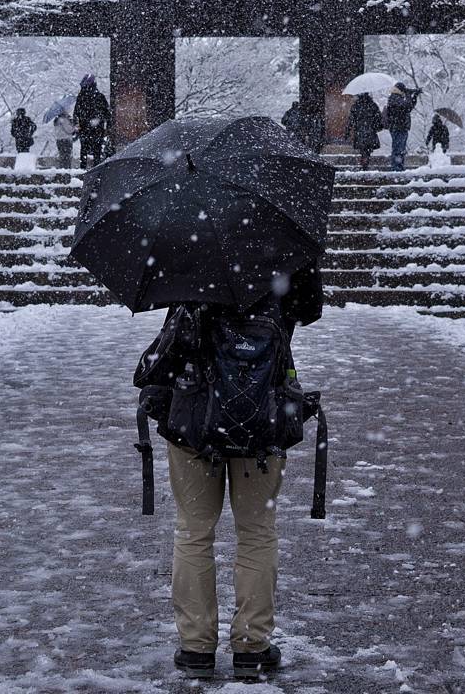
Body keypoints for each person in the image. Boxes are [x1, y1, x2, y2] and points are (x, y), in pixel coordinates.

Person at [137, 263, 324, 681]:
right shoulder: (285, 249)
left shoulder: (189, 241)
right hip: (262, 412)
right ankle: (251, 648)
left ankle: (196, 647)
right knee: (257, 531)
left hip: (194, 414)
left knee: (193, 530)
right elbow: (310, 309)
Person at [72, 74, 112, 169]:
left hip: (84, 130)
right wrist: (99, 120)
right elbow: (107, 114)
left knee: (84, 152)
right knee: (96, 153)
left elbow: (76, 113)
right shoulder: (99, 97)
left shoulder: (81, 97)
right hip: (97, 130)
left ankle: (82, 173)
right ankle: (96, 173)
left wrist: (77, 124)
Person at [382, 81, 421, 171]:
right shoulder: (394, 98)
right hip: (397, 127)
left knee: (401, 148)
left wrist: (414, 96)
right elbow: (406, 106)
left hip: (401, 127)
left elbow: (409, 107)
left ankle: (399, 166)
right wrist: (408, 94)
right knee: (398, 148)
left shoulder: (397, 98)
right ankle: (396, 167)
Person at [344, 92, 383, 170]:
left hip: (360, 131)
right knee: (368, 149)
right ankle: (366, 162)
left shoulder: (356, 106)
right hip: (370, 131)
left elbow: (351, 120)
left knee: (363, 149)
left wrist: (347, 132)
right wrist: (377, 127)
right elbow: (378, 118)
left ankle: (364, 163)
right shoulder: (373, 105)